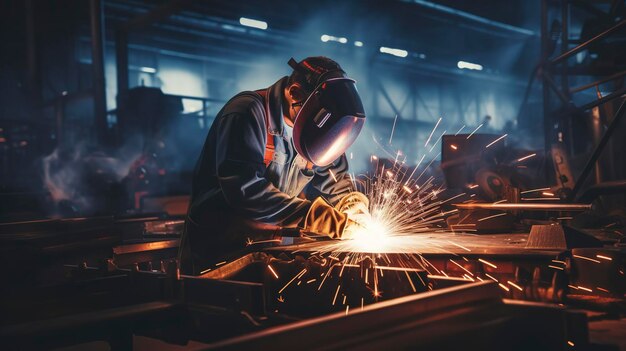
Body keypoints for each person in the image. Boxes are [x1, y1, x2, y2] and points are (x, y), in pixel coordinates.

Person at [179, 56, 370, 274]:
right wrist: (315, 216)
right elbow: (245, 191)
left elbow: (338, 181)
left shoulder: (320, 128)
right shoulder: (247, 112)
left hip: (265, 250)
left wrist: (353, 206)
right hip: (218, 251)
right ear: (295, 94)